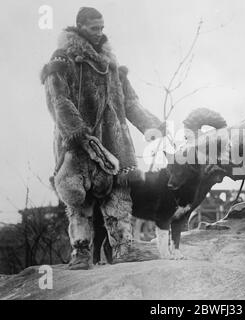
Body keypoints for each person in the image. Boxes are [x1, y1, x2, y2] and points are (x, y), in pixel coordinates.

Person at [41, 7, 164, 269]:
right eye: (94, 28)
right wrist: (79, 133)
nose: (99, 32)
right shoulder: (63, 60)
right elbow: (57, 100)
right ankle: (81, 253)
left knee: (119, 195)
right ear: (79, 27)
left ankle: (123, 248)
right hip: (78, 144)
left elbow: (131, 103)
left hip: (115, 144)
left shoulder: (112, 66)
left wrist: (151, 126)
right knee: (79, 198)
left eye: (102, 27)